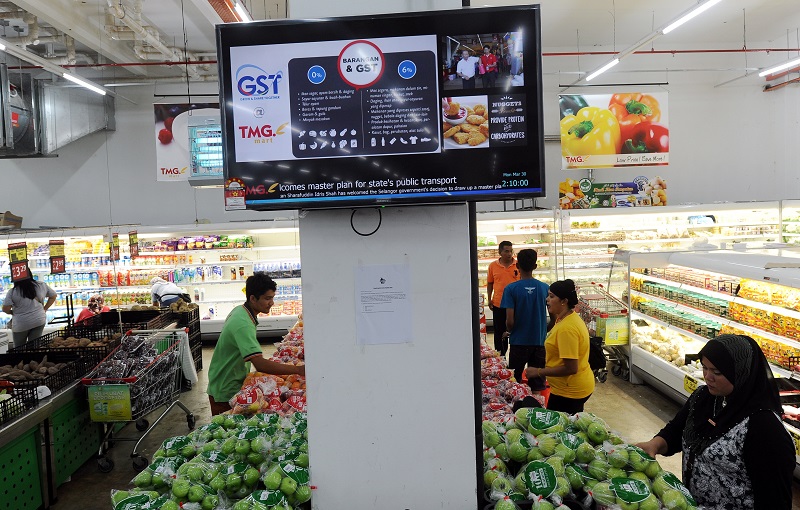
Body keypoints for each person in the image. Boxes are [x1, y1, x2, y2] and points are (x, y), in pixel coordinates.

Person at [634, 334, 793, 509]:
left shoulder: (764, 428)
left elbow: (775, 500)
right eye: (704, 368)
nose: (708, 376)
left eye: (717, 372)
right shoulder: (705, 397)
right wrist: (655, 445)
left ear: (740, 373)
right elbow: (678, 429)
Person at [207, 272, 306, 415]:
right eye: (267, 298)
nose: (271, 303)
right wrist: (298, 370)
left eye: (272, 298)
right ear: (252, 298)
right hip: (226, 388)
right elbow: (259, 364)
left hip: (229, 380)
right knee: (227, 428)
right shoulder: (243, 323)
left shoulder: (241, 311)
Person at [527, 279, 593, 413]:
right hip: (571, 387)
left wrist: (539, 371)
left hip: (569, 392)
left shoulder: (567, 329)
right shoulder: (566, 318)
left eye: (551, 296)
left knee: (555, 429)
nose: (547, 299)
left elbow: (571, 367)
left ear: (564, 301)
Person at [500, 249, 549, 392]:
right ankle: (537, 404)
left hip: (518, 343)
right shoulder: (545, 288)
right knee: (537, 384)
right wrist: (543, 331)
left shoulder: (510, 289)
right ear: (535, 266)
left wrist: (509, 331)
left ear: (517, 265)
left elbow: (509, 321)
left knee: (514, 382)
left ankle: (517, 410)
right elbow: (553, 318)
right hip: (539, 343)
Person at [2, 277, 57, 348]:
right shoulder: (41, 285)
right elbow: (53, 296)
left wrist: (12, 312)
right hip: (39, 320)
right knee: (34, 347)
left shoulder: (13, 291)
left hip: (21, 323)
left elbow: (5, 308)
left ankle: (21, 359)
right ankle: (33, 358)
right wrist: (44, 308)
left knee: (19, 348)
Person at [486, 241, 518, 356]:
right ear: (500, 252)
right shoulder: (493, 266)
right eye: (506, 251)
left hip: (515, 305)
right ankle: (501, 357)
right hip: (498, 304)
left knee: (515, 330)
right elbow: (490, 283)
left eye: (511, 251)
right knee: (499, 332)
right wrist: (489, 298)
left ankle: (515, 356)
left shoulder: (518, 265)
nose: (509, 254)